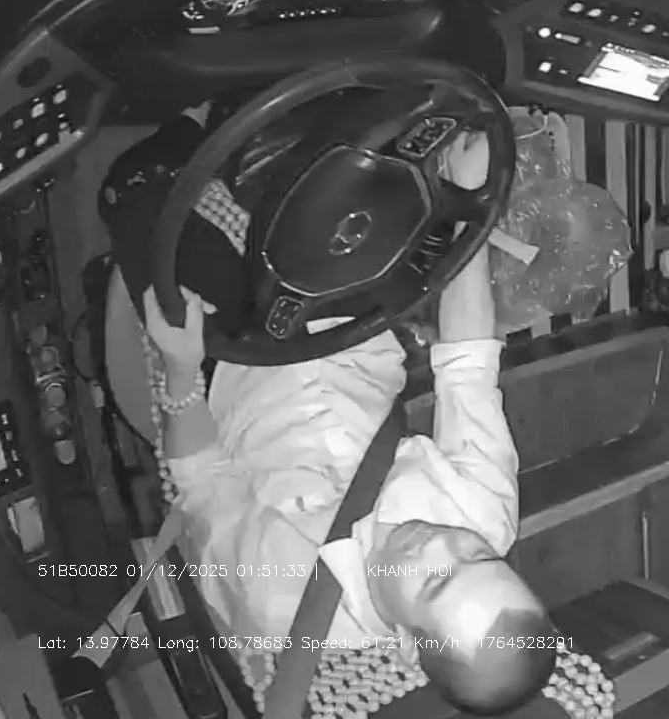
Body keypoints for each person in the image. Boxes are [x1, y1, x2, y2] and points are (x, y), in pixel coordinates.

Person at [129, 124, 558, 714]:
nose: (441, 543)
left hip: (229, 360)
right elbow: (468, 365)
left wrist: (180, 372)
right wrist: (470, 207)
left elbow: (201, 478)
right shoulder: (486, 514)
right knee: (327, 136)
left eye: (436, 581)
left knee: (144, 186)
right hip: (353, 330)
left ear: (406, 646)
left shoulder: (277, 599)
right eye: (480, 557)